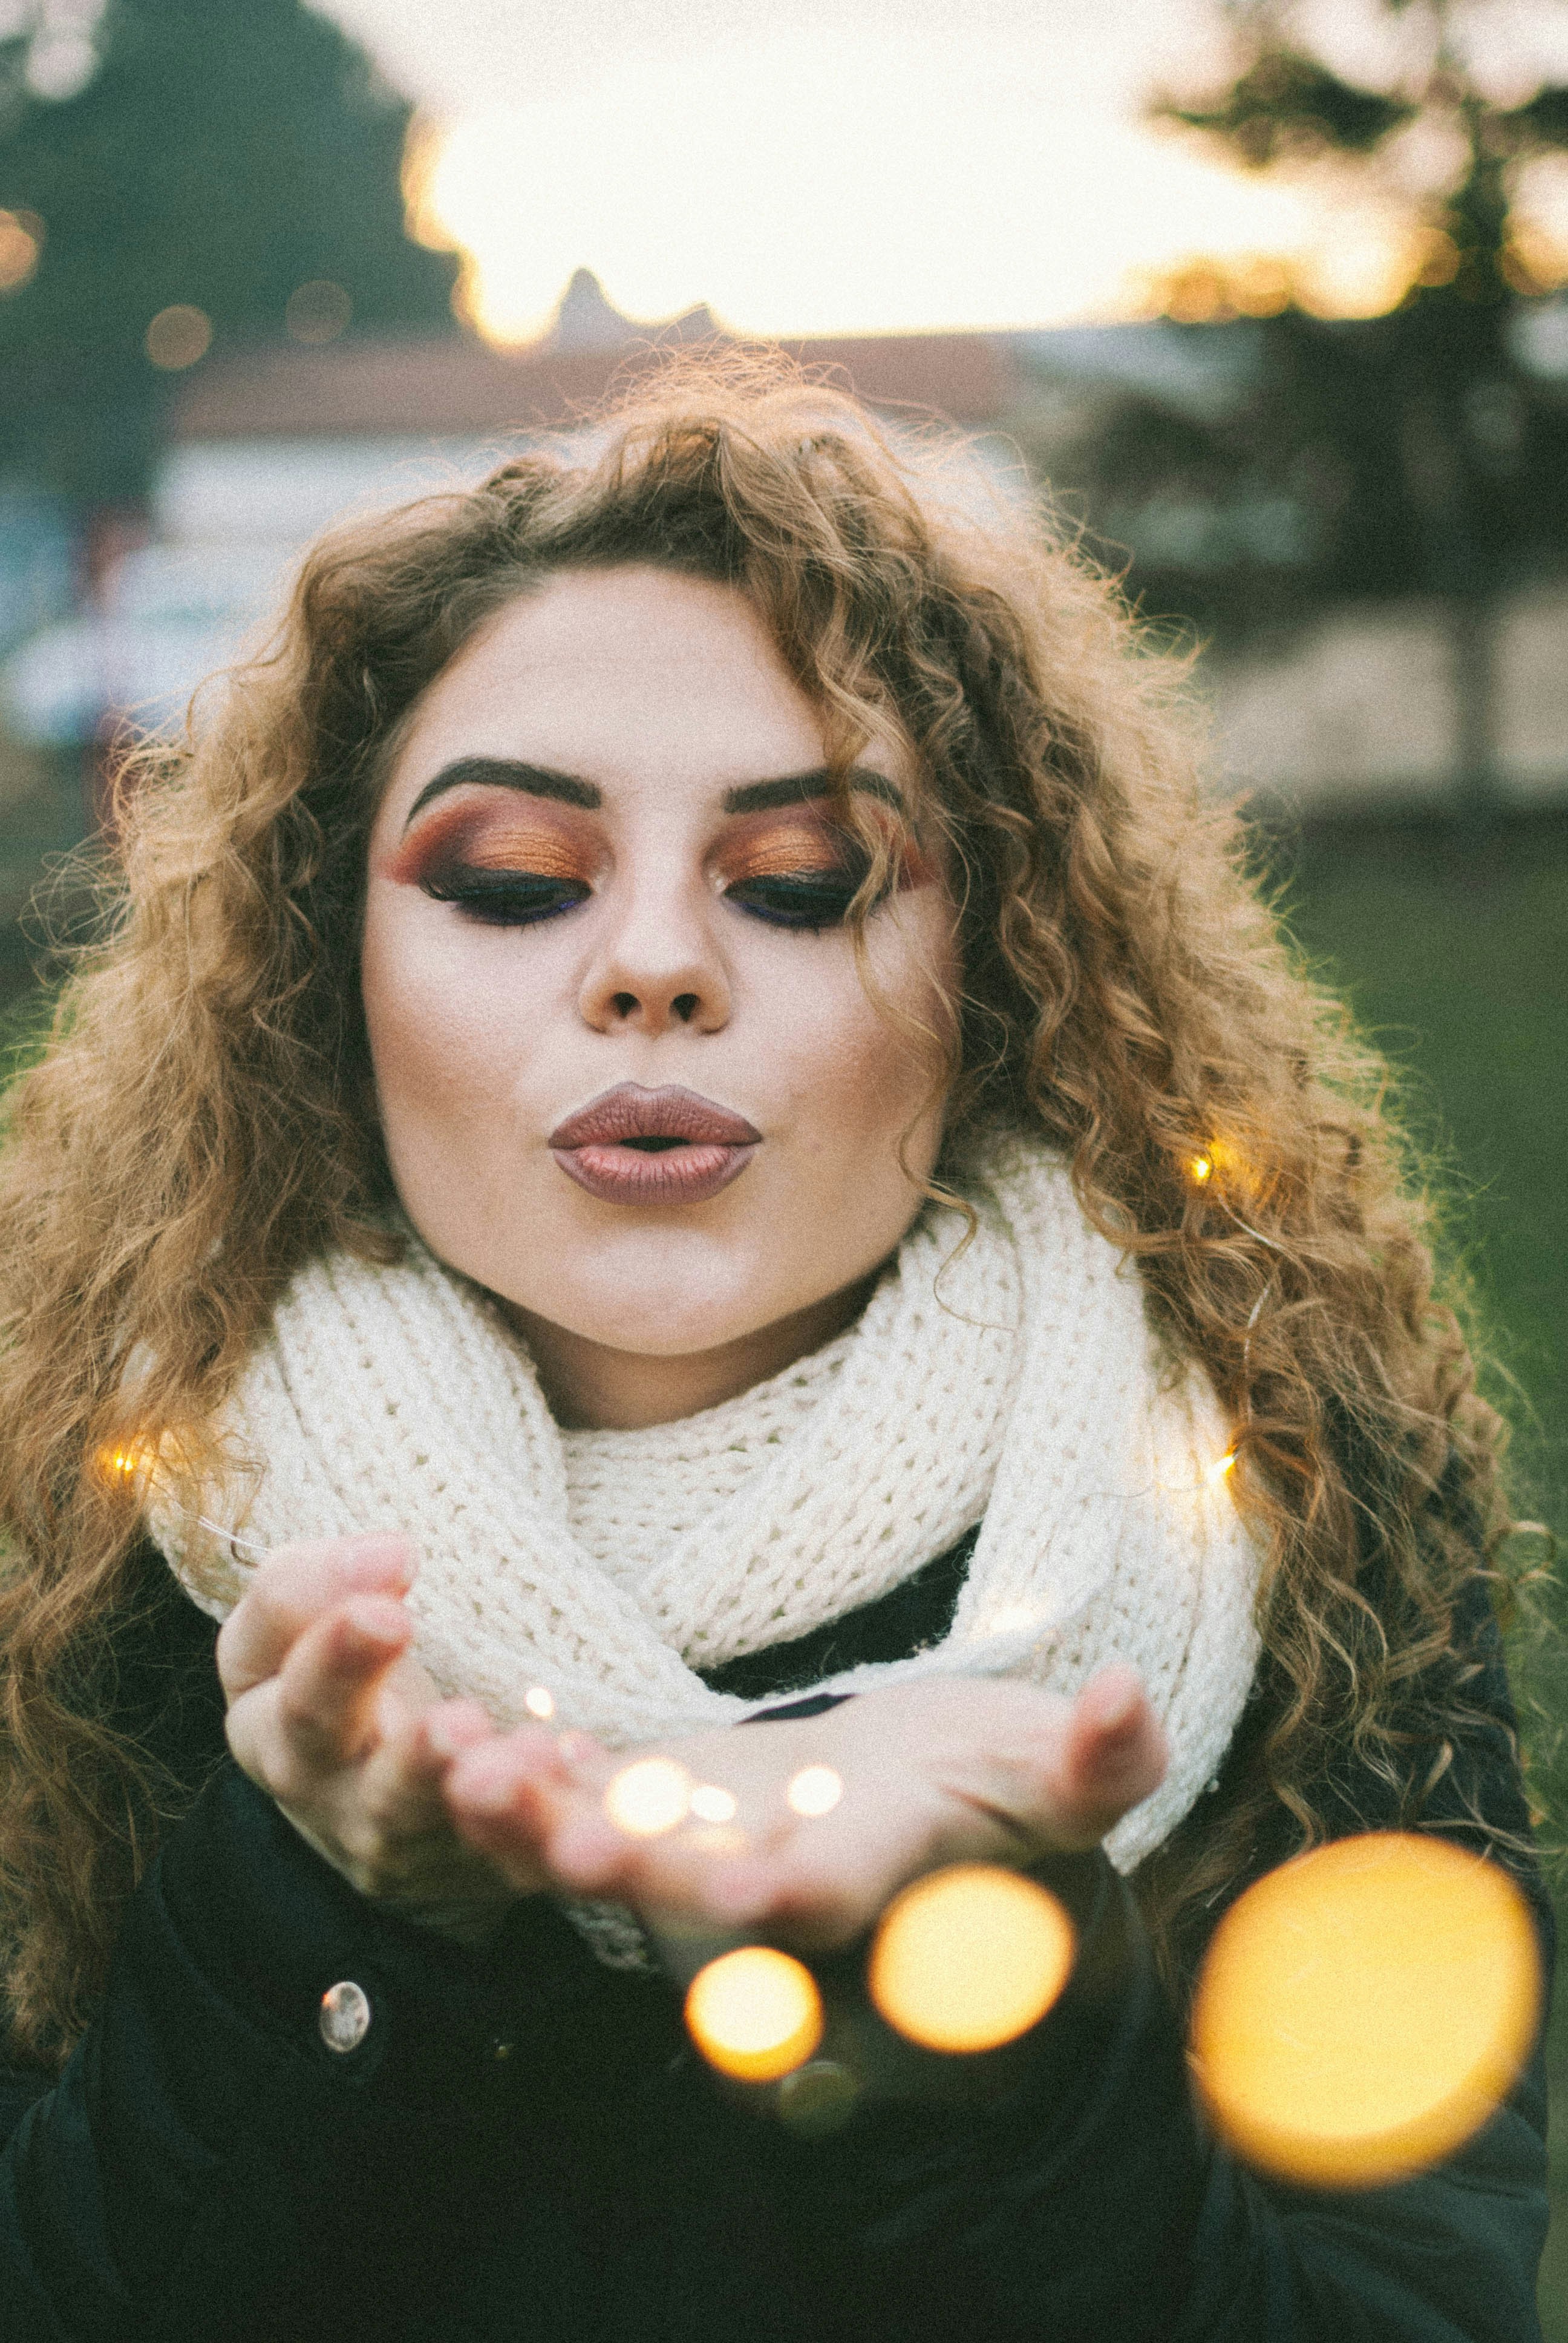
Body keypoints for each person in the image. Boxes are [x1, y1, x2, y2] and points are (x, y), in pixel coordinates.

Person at [0, 360, 1550, 2342]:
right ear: (327, 970)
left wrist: (965, 1978)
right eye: (514, 882)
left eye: (802, 883)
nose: (656, 965)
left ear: (993, 971)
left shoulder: (1283, 1507)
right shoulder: (86, 1532)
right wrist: (328, 1911)